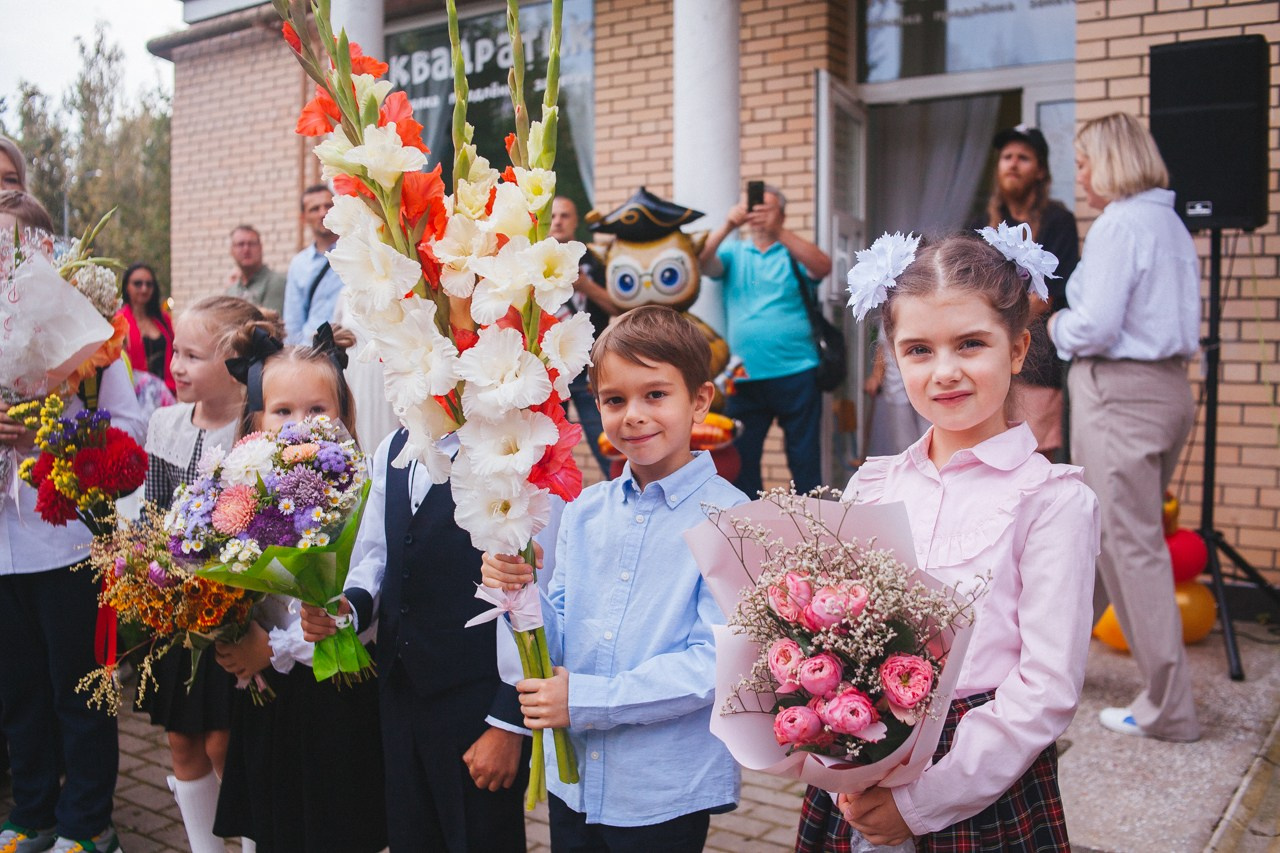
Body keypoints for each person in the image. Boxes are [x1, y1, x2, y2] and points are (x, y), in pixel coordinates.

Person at [801, 229, 1100, 850]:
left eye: (970, 344)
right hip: (859, 768)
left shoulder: (1052, 500)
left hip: (979, 779)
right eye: (918, 350)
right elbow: (832, 635)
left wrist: (921, 800)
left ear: (1018, 349)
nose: (945, 372)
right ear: (893, 360)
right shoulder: (872, 485)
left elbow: (1045, 688)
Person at [482, 305, 747, 852]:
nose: (634, 415)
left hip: (662, 790)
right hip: (573, 780)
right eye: (615, 399)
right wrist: (516, 589)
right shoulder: (583, 511)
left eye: (656, 395)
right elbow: (557, 636)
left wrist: (585, 700)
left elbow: (713, 664)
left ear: (699, 400)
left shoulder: (734, 518)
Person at [297, 424, 530, 851]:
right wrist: (348, 608)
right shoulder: (394, 447)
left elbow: (536, 596)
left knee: (479, 836)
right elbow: (378, 553)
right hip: (402, 694)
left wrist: (509, 721)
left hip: (475, 707)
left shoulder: (512, 452)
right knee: (412, 835)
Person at [1049, 112, 1202, 744]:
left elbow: (1094, 327)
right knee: (1122, 541)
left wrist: (1048, 324)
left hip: (1121, 391)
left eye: (1083, 162)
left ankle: (1170, 707)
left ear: (1108, 162)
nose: (1079, 174)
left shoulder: (1120, 223)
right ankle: (1063, 667)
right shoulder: (1169, 222)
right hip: (1167, 390)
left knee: (1127, 548)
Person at [0, 192, 141, 853]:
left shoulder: (93, 331)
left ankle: (87, 821)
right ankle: (32, 811)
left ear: (47, 252)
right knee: (17, 689)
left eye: (16, 246)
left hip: (66, 542)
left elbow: (129, 430)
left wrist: (56, 430)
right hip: (3, 548)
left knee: (81, 690)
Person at [211, 324, 386, 853]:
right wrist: (232, 630)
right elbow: (234, 583)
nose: (300, 425)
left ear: (344, 417)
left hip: (338, 695)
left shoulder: (361, 489)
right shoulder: (239, 491)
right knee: (280, 825)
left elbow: (369, 583)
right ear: (255, 419)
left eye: (318, 410)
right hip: (271, 698)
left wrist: (276, 647)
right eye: (283, 411)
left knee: (338, 826)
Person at [141, 296, 284, 853]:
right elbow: (154, 513)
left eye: (191, 355)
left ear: (232, 364)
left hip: (235, 616)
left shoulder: (256, 432)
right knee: (182, 740)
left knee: (227, 743)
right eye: (175, 351)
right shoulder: (166, 423)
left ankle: (253, 842)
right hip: (178, 610)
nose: (175, 365)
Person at [699, 184, 833, 496]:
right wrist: (729, 225)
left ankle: (811, 527)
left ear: (782, 214)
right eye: (750, 207)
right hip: (744, 375)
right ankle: (750, 527)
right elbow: (702, 264)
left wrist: (779, 231)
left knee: (804, 458)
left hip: (798, 370)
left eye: (766, 207)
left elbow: (823, 266)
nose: (757, 213)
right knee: (742, 459)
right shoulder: (734, 251)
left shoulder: (793, 249)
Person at [982, 125, 1080, 458]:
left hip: (1038, 365)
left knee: (1033, 459)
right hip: (989, 363)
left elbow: (1044, 297)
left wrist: (989, 321)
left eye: (1023, 158)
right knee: (988, 455)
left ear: (1039, 171)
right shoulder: (982, 222)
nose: (1012, 164)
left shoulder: (1058, 221)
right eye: (1007, 157)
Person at [550, 195, 615, 476]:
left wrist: (586, 285)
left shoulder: (594, 259)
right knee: (550, 447)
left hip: (590, 368)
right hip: (551, 371)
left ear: (576, 221)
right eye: (553, 215)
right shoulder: (533, 257)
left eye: (565, 215)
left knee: (606, 443)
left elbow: (617, 306)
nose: (558, 221)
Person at [282, 185, 342, 345]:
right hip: (314, 354)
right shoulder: (298, 264)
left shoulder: (358, 249)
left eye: (328, 206)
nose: (323, 213)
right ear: (303, 218)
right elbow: (293, 323)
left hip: (355, 351)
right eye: (315, 209)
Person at [117, 262, 176, 394]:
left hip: (167, 393)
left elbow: (175, 351)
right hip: (134, 394)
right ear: (127, 287)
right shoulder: (118, 320)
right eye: (138, 283)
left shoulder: (163, 319)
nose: (144, 289)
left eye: (149, 284)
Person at [225, 225, 287, 314]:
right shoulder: (231, 290)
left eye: (251, 244)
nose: (246, 249)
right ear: (231, 251)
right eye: (240, 244)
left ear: (261, 247)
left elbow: (270, 322)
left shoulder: (277, 282)